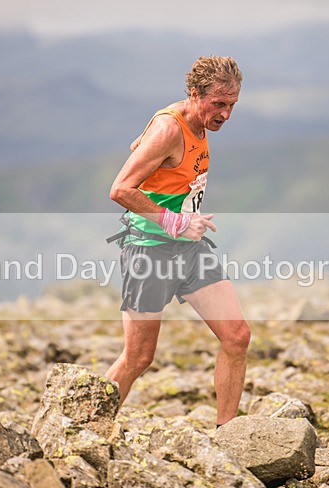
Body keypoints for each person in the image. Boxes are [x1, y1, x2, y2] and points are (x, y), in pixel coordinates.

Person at [106, 56, 249, 427]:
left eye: (232, 105)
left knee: (237, 337)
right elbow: (120, 189)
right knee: (138, 358)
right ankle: (79, 428)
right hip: (148, 250)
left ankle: (227, 436)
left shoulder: (189, 122)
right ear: (194, 94)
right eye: (218, 103)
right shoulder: (170, 129)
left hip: (189, 248)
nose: (226, 115)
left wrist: (182, 224)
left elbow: (138, 143)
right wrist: (173, 221)